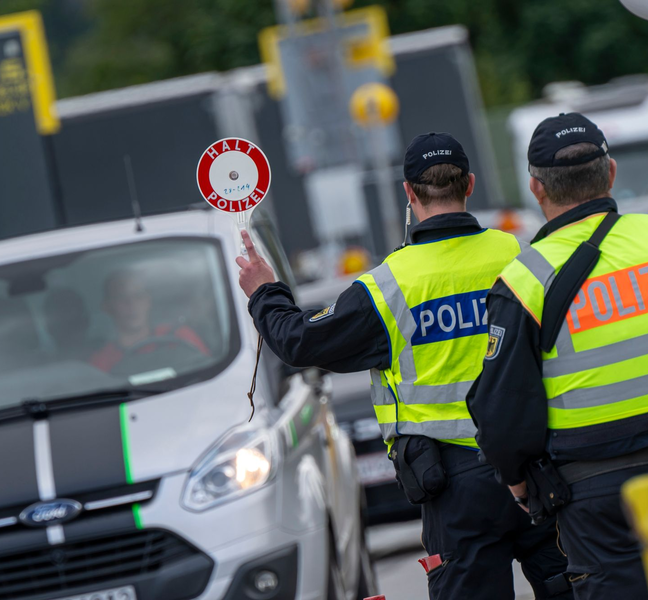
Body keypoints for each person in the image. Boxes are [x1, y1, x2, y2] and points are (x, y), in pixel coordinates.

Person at [236, 133, 572, 600]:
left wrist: (263, 291)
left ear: (409, 192)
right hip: (537, 467)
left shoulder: (389, 285)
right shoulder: (520, 255)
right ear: (469, 184)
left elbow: (298, 341)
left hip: (454, 488)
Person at [469, 113, 648, 599]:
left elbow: (503, 407)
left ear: (536, 187)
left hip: (595, 489)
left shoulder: (524, 280)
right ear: (610, 173)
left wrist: (518, 483)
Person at [90, 268, 209, 372]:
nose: (132, 304)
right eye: (121, 298)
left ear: (148, 301)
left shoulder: (180, 336)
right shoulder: (100, 363)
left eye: (138, 296)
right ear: (107, 307)